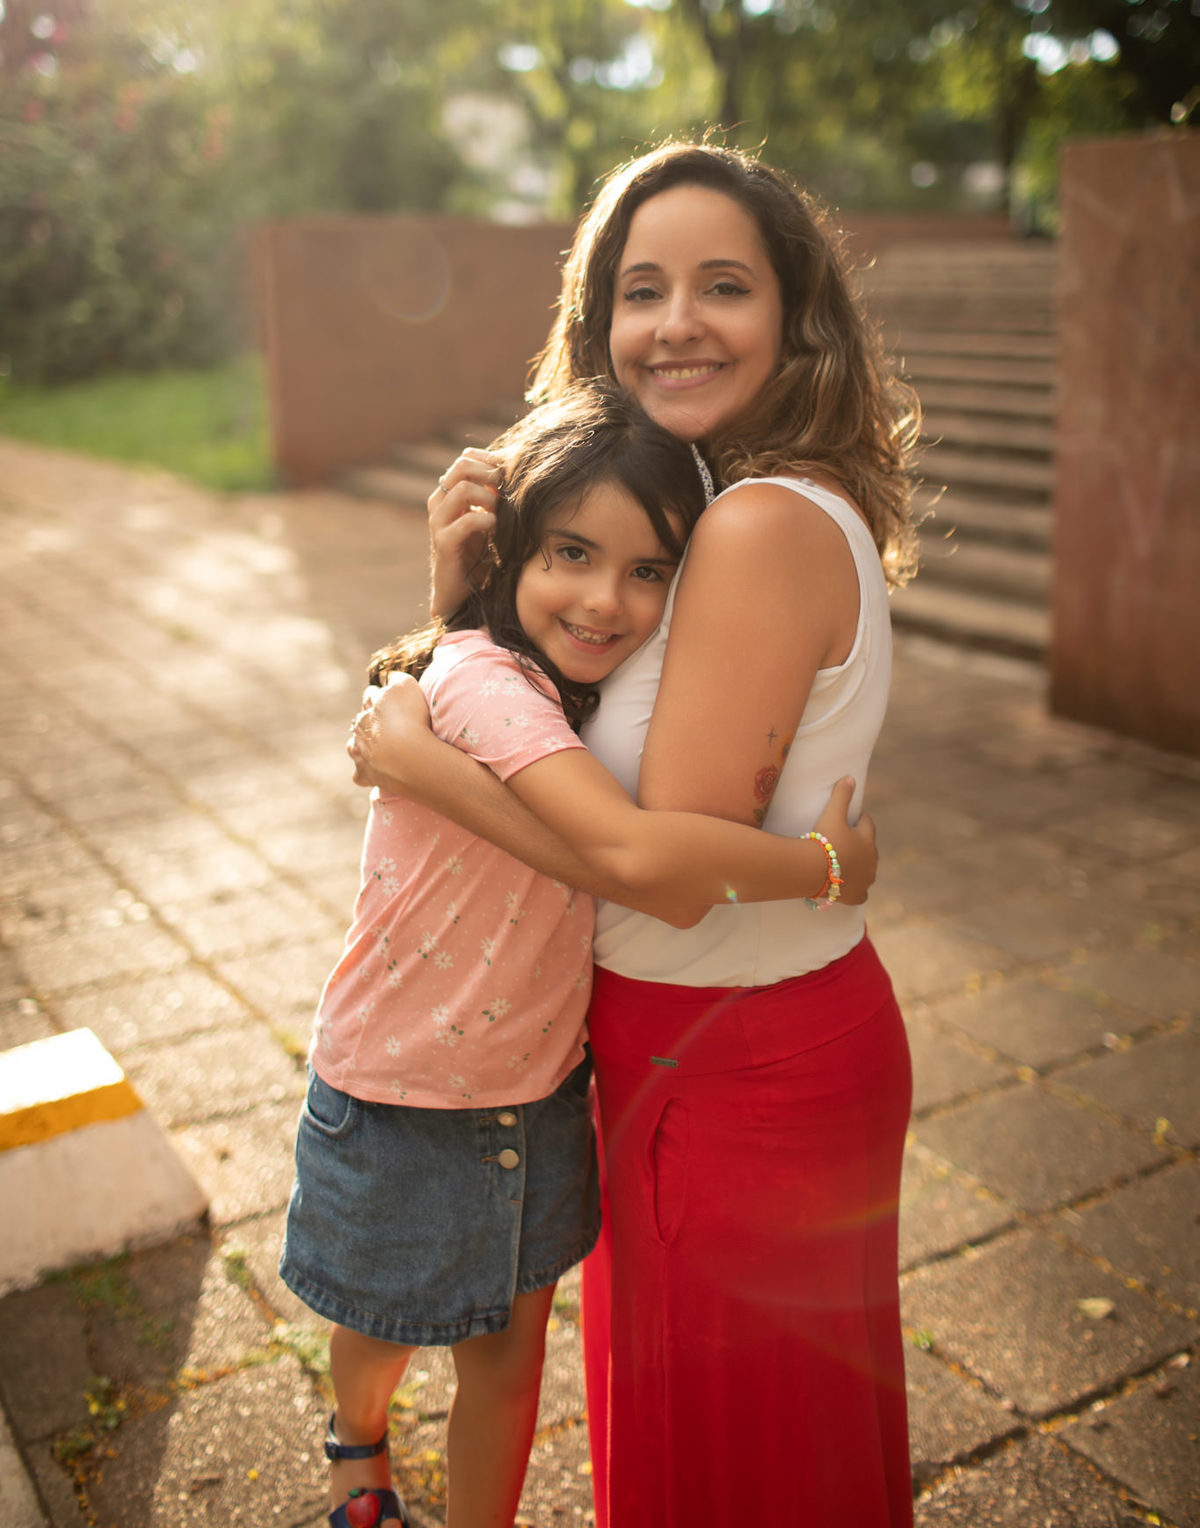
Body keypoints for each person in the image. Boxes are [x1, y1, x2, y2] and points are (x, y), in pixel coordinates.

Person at [351, 141, 919, 1526]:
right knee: (721, 1453)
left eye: (724, 285)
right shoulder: (703, 509)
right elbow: (553, 724)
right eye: (642, 289)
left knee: (736, 1471)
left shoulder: (756, 526)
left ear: (796, 313)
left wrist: (417, 765)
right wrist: (461, 613)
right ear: (598, 316)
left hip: (734, 1061)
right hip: (692, 1043)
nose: (677, 323)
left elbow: (658, 871)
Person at [283, 379, 879, 1528]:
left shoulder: (575, 694)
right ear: (512, 550)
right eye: (571, 553)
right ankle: (358, 1440)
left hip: (538, 1089)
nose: (607, 599)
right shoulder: (485, 683)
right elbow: (635, 859)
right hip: (404, 1090)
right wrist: (824, 866)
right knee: (380, 1325)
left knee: (507, 1363)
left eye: (649, 569)